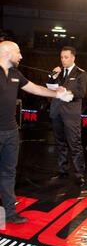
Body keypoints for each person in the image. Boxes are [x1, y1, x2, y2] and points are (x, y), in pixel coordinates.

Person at [0, 41, 73, 224]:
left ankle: (9, 212)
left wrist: (58, 94)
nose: (21, 56)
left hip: (11, 131)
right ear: (7, 53)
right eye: (18, 52)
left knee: (9, 173)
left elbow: (34, 88)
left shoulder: (16, 73)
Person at [48, 46, 87, 187]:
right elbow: (50, 88)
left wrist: (66, 90)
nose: (63, 60)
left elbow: (81, 93)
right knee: (59, 143)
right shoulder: (58, 72)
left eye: (66, 57)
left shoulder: (81, 74)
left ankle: (79, 174)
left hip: (71, 115)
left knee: (75, 144)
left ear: (73, 57)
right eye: (61, 57)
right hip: (56, 112)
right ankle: (63, 170)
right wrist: (52, 77)